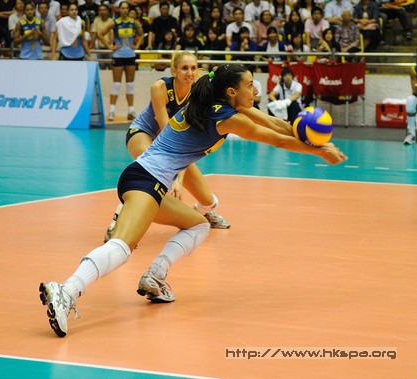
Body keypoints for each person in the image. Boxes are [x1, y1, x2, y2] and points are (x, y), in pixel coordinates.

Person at [39, 64, 346, 338]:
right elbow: (275, 139)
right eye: (250, 85)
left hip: (147, 180)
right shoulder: (226, 118)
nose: (255, 90)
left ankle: (155, 276)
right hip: (147, 179)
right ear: (231, 92)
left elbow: (275, 125)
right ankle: (66, 290)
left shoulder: (216, 103)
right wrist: (320, 151)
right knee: (121, 247)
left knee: (198, 225)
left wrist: (310, 136)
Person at [105, 51, 231, 241]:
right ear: (174, 71)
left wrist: (179, 179)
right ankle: (117, 223)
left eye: (193, 68)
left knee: (208, 200)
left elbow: (183, 144)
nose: (190, 73)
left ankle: (202, 212)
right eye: (184, 68)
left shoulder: (197, 93)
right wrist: (176, 179)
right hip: (144, 134)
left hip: (175, 146)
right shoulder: (161, 87)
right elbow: (168, 135)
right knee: (151, 175)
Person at [98, 1, 144, 121]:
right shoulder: (115, 23)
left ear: (128, 10)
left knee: (130, 85)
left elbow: (142, 34)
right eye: (122, 8)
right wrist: (110, 47)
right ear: (119, 10)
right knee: (116, 84)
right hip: (118, 56)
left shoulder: (134, 22)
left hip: (130, 55)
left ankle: (131, 111)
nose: (124, 10)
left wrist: (137, 45)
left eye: (126, 8)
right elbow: (100, 34)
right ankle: (111, 111)